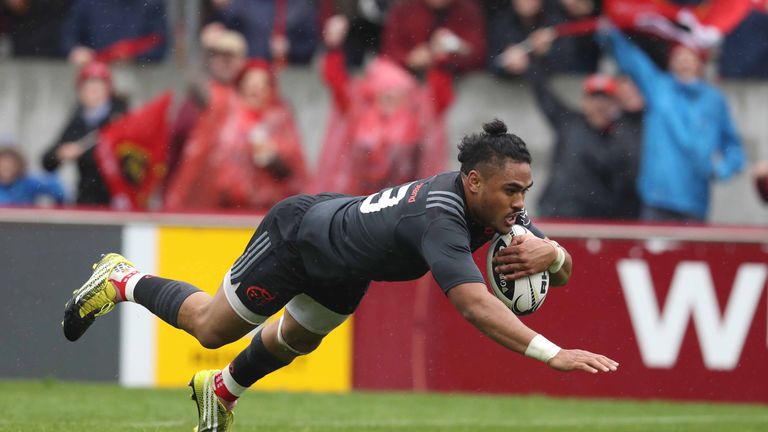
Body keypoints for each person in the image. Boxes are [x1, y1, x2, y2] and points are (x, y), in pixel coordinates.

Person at [63, 119, 618, 431]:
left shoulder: (501, 209)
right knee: (211, 327)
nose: (522, 203)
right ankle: (122, 279)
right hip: (301, 240)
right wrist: (554, 353)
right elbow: (473, 303)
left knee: (296, 339)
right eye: (512, 190)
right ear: (473, 181)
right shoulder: (442, 218)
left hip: (349, 261)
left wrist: (556, 254)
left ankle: (219, 391)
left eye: (525, 190)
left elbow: (558, 270)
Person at [598, 22, 746, 222]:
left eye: (690, 56)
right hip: (657, 199)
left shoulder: (714, 100)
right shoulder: (659, 87)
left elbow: (734, 147)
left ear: (700, 62)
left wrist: (721, 169)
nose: (684, 62)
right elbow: (631, 60)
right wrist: (610, 33)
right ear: (671, 62)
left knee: (691, 254)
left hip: (696, 200)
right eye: (679, 56)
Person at [523, 31, 639, 220]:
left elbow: (626, 191)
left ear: (615, 104)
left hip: (594, 226)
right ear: (584, 101)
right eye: (595, 97)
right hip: (554, 216)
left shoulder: (623, 136)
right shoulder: (568, 121)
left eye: (607, 99)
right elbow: (541, 89)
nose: (600, 104)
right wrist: (537, 56)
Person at [165, 59, 307, 211]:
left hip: (266, 208)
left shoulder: (279, 121)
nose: (255, 91)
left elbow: (293, 170)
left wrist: (273, 158)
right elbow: (205, 155)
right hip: (223, 205)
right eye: (250, 85)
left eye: (261, 86)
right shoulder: (224, 117)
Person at [41, 61, 127, 206]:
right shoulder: (78, 122)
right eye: (88, 88)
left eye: (98, 88)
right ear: (80, 92)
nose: (93, 93)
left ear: (109, 91)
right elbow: (47, 163)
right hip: (88, 200)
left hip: (120, 199)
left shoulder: (123, 119)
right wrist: (60, 154)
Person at [0, 146, 65, 205]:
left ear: (19, 165)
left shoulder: (28, 183)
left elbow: (58, 192)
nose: (6, 168)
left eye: (10, 165)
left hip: (24, 217)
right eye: (3, 166)